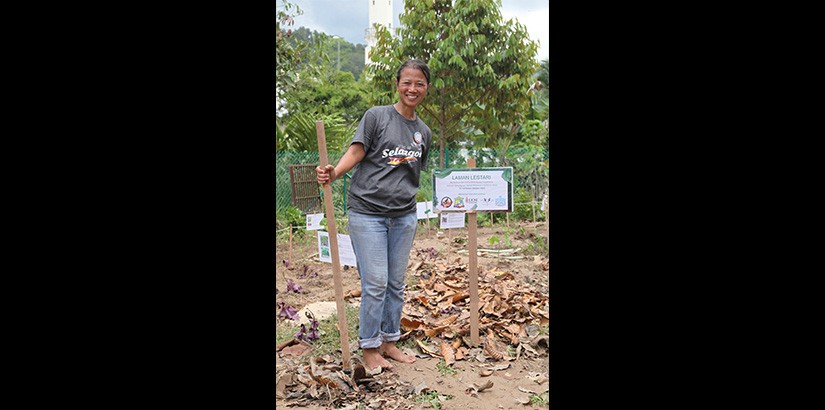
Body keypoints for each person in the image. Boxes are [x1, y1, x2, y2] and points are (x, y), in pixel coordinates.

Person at [316, 59, 432, 371]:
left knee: (396, 282)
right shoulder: (377, 117)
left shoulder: (423, 131)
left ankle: (389, 342)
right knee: (376, 281)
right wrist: (335, 172)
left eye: (419, 83)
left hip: (404, 216)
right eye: (407, 82)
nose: (412, 88)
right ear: (397, 84)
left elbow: (414, 172)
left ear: (426, 88)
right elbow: (356, 151)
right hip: (368, 214)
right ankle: (369, 347)